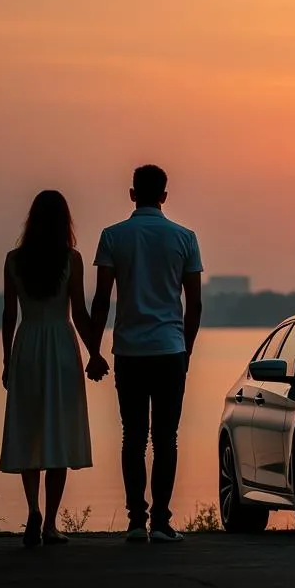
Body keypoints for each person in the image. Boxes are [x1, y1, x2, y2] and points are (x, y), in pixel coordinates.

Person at [88, 165, 203, 543]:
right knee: (166, 438)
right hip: (170, 349)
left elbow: (102, 299)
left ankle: (136, 521)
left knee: (133, 436)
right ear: (165, 196)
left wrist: (93, 349)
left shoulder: (113, 237)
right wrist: (186, 349)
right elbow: (195, 303)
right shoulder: (185, 238)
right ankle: (162, 522)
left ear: (132, 193)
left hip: (130, 352)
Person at [0, 190, 108, 548]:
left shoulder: (14, 260)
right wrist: (94, 352)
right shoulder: (71, 259)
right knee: (59, 432)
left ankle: (32, 510)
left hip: (27, 346)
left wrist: (5, 360)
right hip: (61, 346)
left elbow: (9, 314)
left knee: (30, 429)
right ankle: (49, 524)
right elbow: (78, 312)